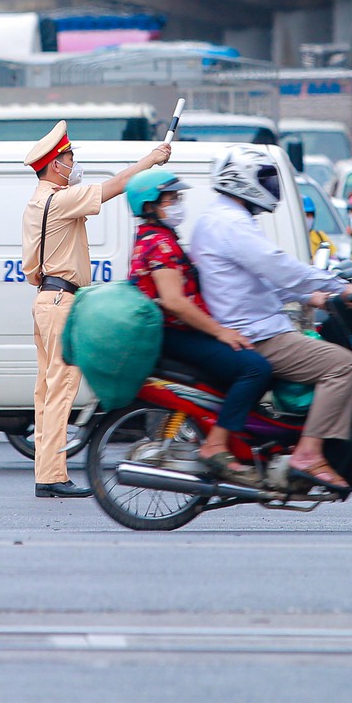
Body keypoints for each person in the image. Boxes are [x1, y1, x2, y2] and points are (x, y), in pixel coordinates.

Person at [188, 147, 352, 490]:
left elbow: (257, 282)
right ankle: (309, 454)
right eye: (264, 179)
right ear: (242, 180)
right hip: (260, 334)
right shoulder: (232, 223)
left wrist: (312, 295)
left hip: (252, 324)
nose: (271, 187)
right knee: (343, 365)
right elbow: (279, 268)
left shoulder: (223, 217)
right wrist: (338, 285)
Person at [21, 121, 171, 498]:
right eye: (70, 156)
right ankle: (52, 475)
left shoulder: (39, 201)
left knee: (46, 392)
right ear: (56, 164)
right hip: (60, 302)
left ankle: (46, 471)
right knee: (60, 391)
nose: (74, 162)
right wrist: (150, 160)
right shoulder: (59, 199)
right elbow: (114, 187)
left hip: (45, 299)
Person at [125, 167, 272, 487]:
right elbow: (175, 302)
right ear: (150, 205)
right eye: (171, 198)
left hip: (174, 333)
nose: (178, 203)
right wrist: (221, 332)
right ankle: (216, 447)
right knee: (255, 368)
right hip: (175, 335)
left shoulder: (156, 238)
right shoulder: (160, 244)